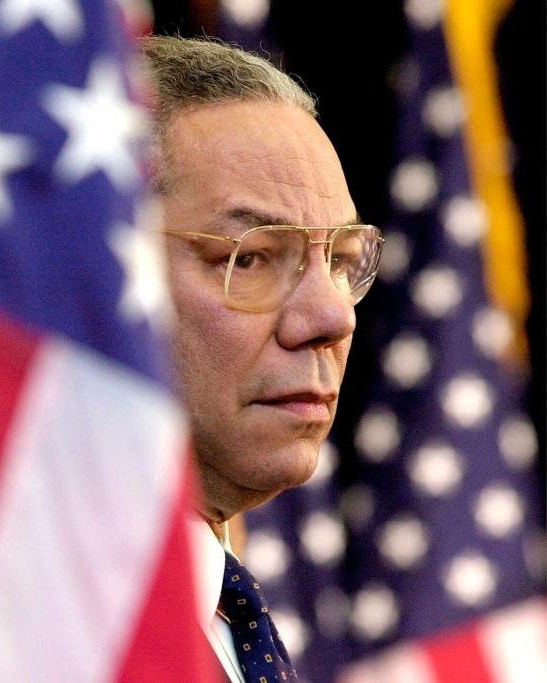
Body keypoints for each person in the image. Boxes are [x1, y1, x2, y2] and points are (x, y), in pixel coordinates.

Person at [141, 36, 384, 682]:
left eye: (337, 261)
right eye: (248, 258)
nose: (332, 317)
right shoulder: (1, 627)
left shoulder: (226, 621)